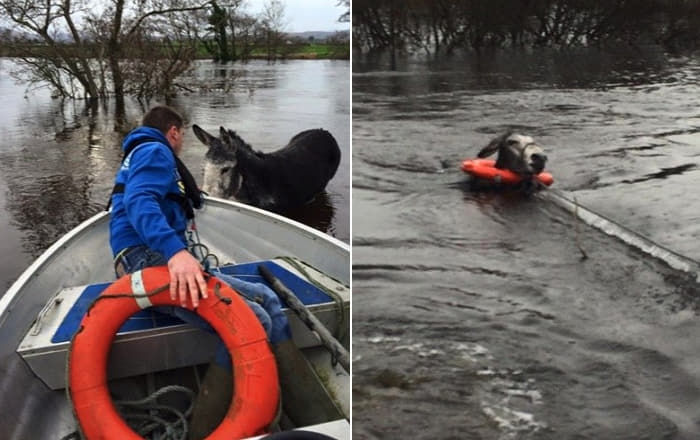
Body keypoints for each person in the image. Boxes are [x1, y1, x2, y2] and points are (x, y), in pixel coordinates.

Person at [108, 105, 292, 438]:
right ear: (174, 132)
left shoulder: (140, 152)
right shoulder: (155, 150)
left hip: (151, 254)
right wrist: (176, 253)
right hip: (148, 259)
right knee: (254, 320)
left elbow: (165, 197)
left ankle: (292, 392)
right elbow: (139, 201)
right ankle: (208, 426)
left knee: (267, 298)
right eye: (181, 139)